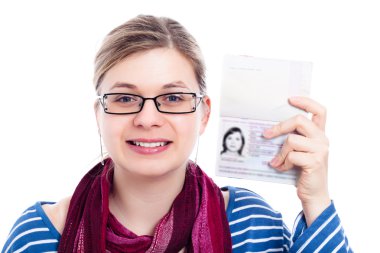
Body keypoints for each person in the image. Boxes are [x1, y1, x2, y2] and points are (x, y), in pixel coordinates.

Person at [2, 15, 352, 253]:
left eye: (172, 97)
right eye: (125, 98)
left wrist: (316, 200)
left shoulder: (250, 223)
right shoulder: (41, 234)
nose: (148, 118)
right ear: (99, 115)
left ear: (204, 114)